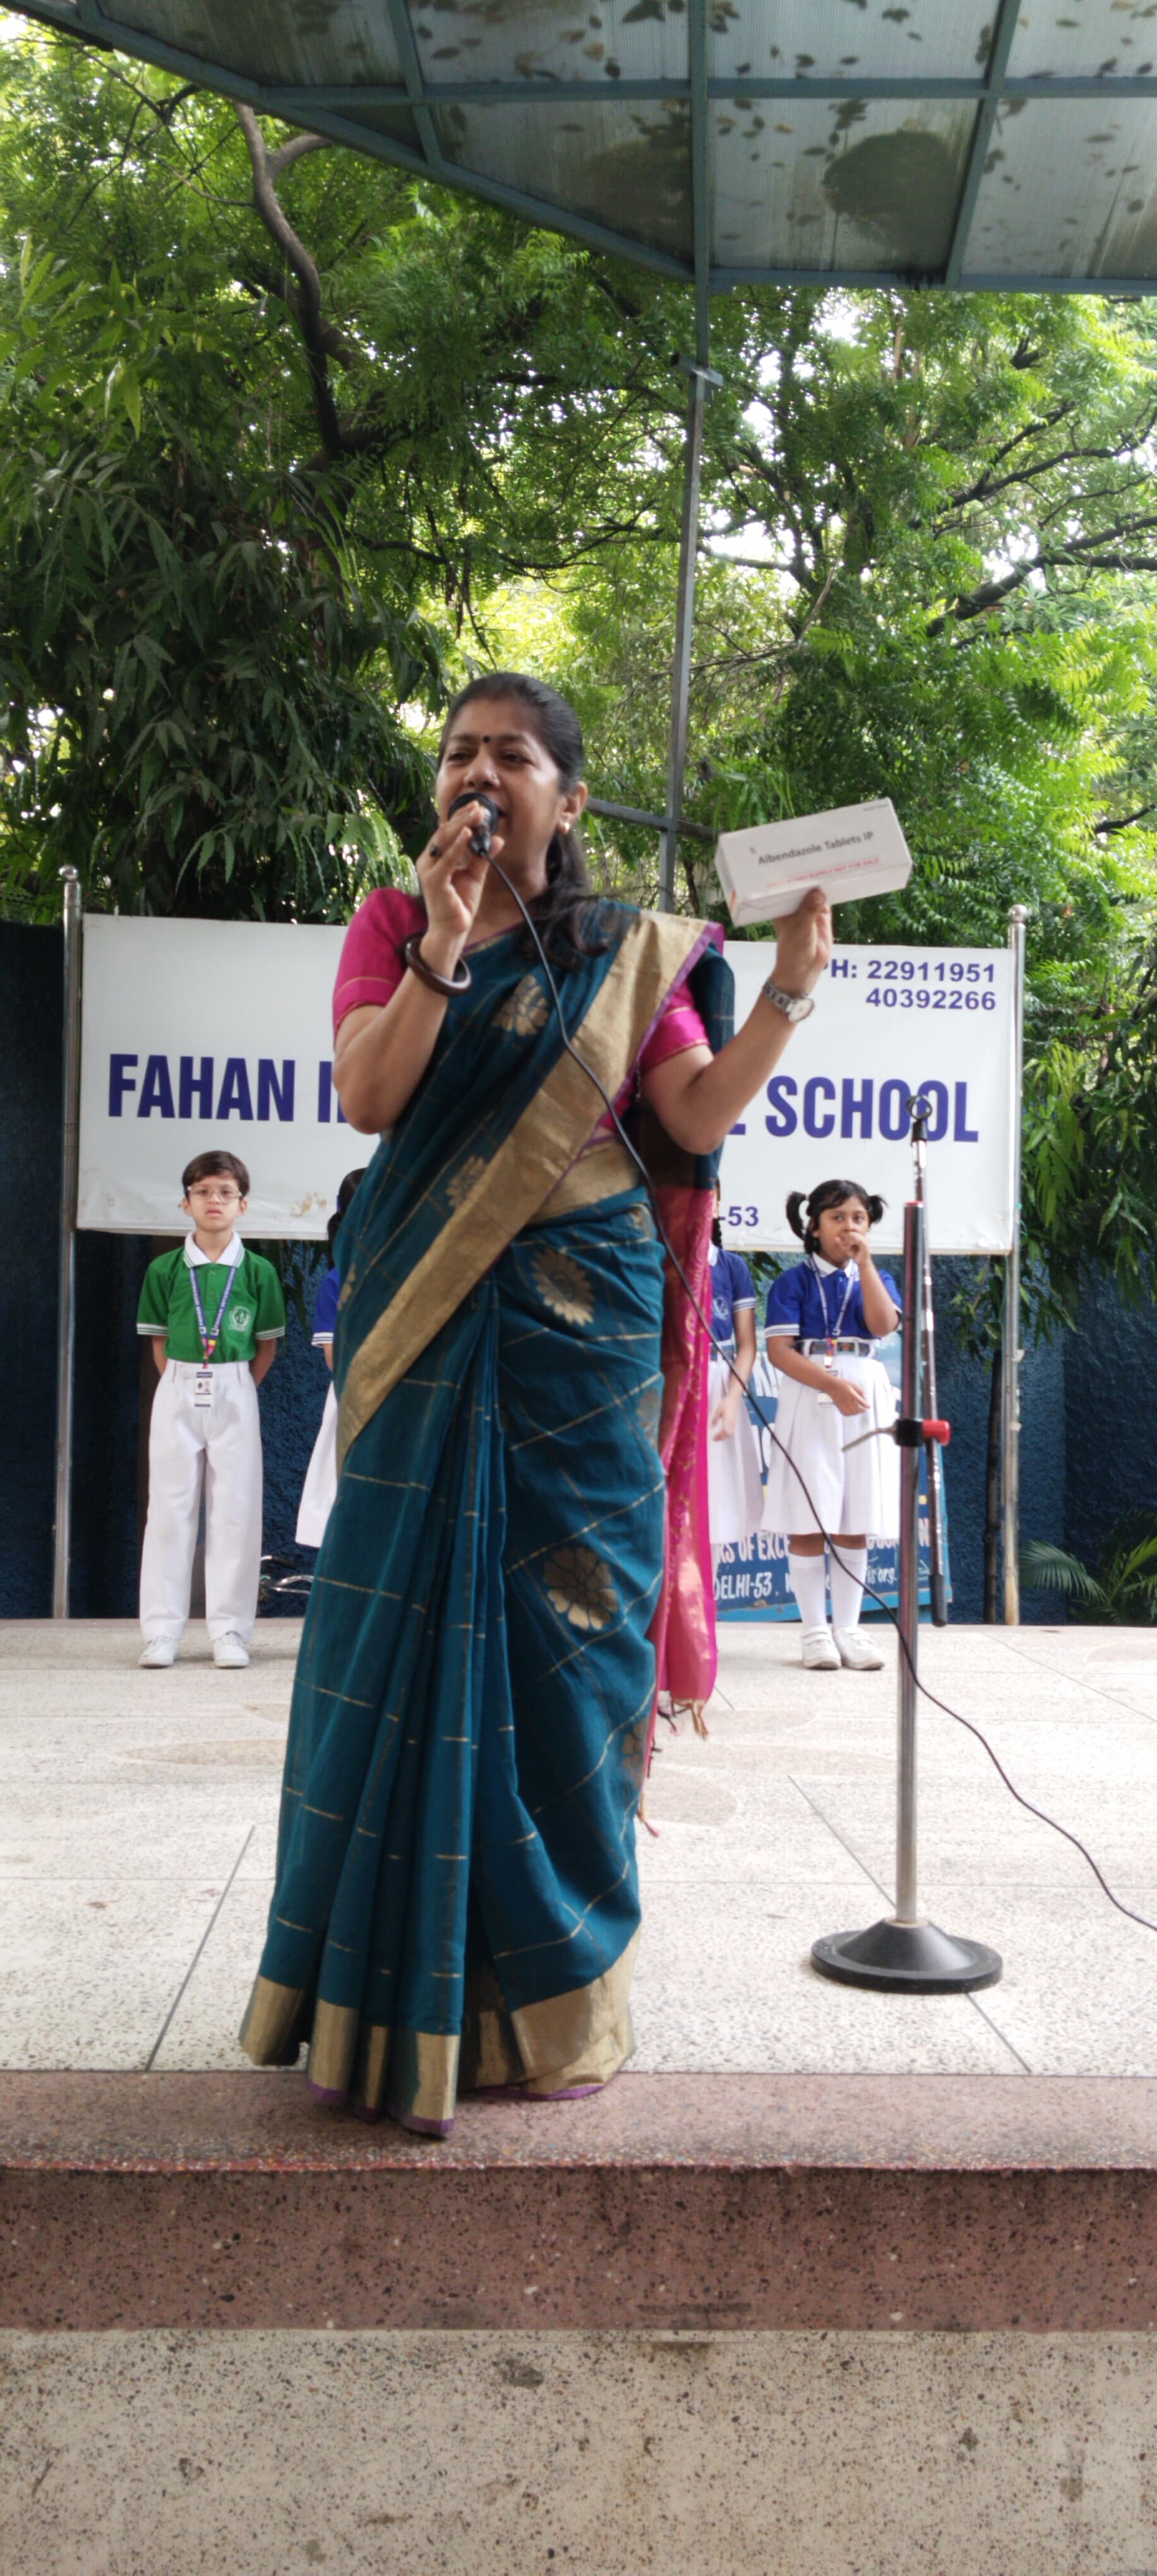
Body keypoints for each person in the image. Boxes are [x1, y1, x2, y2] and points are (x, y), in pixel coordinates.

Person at [240, 671, 831, 2133]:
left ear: (567, 798)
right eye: (459, 752)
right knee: (390, 1635)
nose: (478, 771)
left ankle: (554, 1995)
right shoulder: (393, 921)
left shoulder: (624, 952)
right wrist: (442, 941)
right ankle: (384, 2000)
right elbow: (371, 1099)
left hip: (582, 1344)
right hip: (423, 1319)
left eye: (511, 754)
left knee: (573, 1656)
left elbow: (690, 1116)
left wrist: (787, 990)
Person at [136, 1150, 286, 1670]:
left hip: (236, 1384)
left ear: (243, 1204)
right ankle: (161, 1631)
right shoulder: (164, 1269)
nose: (214, 1201)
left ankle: (230, 1631)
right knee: (169, 1509)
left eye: (225, 1192)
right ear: (186, 1203)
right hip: (178, 1383)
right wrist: (181, 1380)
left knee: (236, 1511)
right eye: (202, 1192)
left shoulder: (259, 1271)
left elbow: (266, 1346)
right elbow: (158, 1340)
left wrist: (236, 1386)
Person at [760, 1179, 901, 1673]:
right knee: (810, 1510)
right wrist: (831, 1385)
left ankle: (849, 1628)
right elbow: (780, 1351)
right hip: (812, 1387)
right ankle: (814, 1631)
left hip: (864, 1387)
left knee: (853, 1513)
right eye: (837, 1217)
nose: (848, 1227)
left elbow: (883, 1326)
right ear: (814, 1226)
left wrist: (867, 1265)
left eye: (858, 1218)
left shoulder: (876, 1277)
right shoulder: (793, 1281)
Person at [295, 1169, 367, 1551]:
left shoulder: (414, 1271)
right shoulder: (336, 1281)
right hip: (354, 1393)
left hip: (409, 1395)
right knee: (345, 1490)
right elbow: (333, 1357)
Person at [707, 1184, 764, 1577]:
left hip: (718, 1385)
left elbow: (747, 1345)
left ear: (717, 1204)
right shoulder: (659, 1260)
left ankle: (703, 1603)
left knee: (715, 1506)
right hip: (672, 1382)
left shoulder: (731, 1267)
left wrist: (731, 1398)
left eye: (707, 1196)